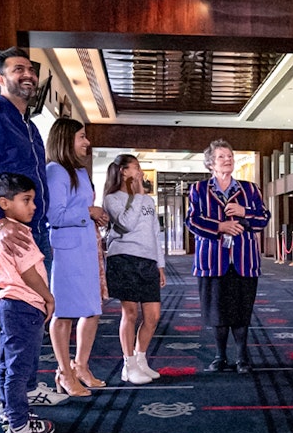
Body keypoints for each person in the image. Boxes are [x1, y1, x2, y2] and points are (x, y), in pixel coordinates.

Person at [0, 46, 67, 422]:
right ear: (0, 78)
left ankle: (22, 386)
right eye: (18, 68)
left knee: (32, 310)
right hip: (3, 233)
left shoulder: (31, 127)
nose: (27, 75)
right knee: (0, 315)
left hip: (34, 231)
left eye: (30, 70)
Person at [186, 140, 270, 374]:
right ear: (211, 163)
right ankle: (220, 356)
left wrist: (245, 213)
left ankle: (242, 357)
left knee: (242, 310)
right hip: (212, 260)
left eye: (230, 155)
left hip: (244, 260)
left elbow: (263, 219)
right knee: (217, 311)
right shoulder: (199, 190)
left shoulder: (250, 189)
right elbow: (192, 221)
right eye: (222, 156)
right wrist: (220, 227)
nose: (228, 159)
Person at [0, 172, 56, 433]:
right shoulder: (16, 235)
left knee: (9, 363)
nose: (33, 206)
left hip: (10, 304)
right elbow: (28, 272)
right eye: (26, 200)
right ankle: (19, 424)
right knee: (20, 368)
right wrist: (48, 297)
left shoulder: (3, 232)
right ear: (4, 203)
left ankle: (10, 411)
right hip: (24, 304)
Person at [45, 117, 108, 396]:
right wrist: (88, 213)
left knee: (92, 308)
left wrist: (95, 215)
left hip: (88, 248)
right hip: (68, 252)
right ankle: (64, 372)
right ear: (65, 139)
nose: (87, 142)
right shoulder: (55, 171)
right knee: (65, 313)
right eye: (82, 137)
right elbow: (53, 215)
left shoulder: (80, 173)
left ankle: (81, 366)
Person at [102, 153, 166, 385]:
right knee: (130, 313)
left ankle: (140, 359)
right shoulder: (112, 198)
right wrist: (138, 195)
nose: (140, 171)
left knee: (153, 316)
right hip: (124, 258)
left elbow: (154, 234)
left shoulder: (148, 201)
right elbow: (127, 224)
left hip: (147, 260)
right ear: (123, 171)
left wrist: (160, 264)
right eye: (136, 167)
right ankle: (128, 364)